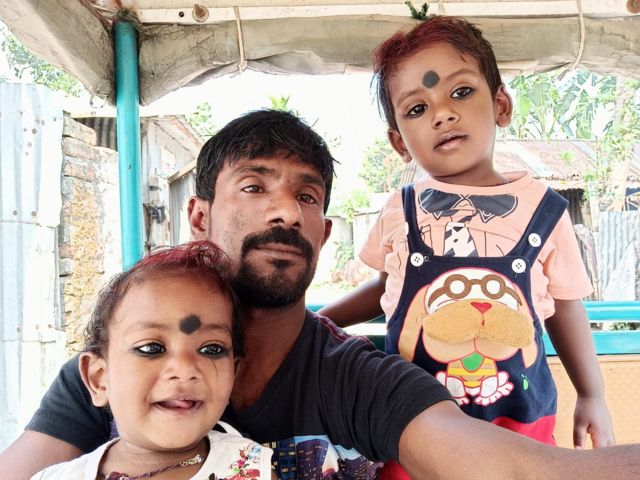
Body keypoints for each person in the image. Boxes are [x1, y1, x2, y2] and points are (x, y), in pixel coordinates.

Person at [2, 109, 638, 480]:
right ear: (198, 215)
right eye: (255, 187)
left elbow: (522, 468)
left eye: (306, 196)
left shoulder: (358, 379)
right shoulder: (126, 367)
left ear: (325, 232)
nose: (286, 212)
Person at [318, 16, 614, 477]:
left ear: (500, 104)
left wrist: (592, 394)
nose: (442, 114)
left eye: (460, 92)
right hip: (411, 429)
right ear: (399, 142)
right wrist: (317, 323)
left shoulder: (546, 210)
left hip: (519, 425)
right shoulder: (399, 209)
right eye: (417, 108)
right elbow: (384, 291)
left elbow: (564, 305)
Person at [30, 241, 275, 480]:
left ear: (233, 373)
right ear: (99, 379)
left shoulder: (252, 469)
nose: (185, 369)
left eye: (211, 349)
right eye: (151, 348)